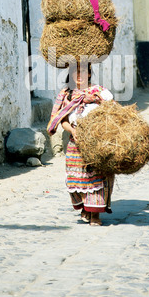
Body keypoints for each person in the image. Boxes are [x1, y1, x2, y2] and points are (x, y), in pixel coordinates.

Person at [47, 62, 115, 226]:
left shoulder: (100, 92)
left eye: (83, 71)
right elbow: (61, 119)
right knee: (77, 178)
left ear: (89, 73)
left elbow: (113, 112)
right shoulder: (66, 94)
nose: (79, 75)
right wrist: (73, 131)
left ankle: (95, 215)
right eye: (75, 72)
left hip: (97, 141)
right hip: (75, 142)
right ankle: (87, 207)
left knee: (97, 176)